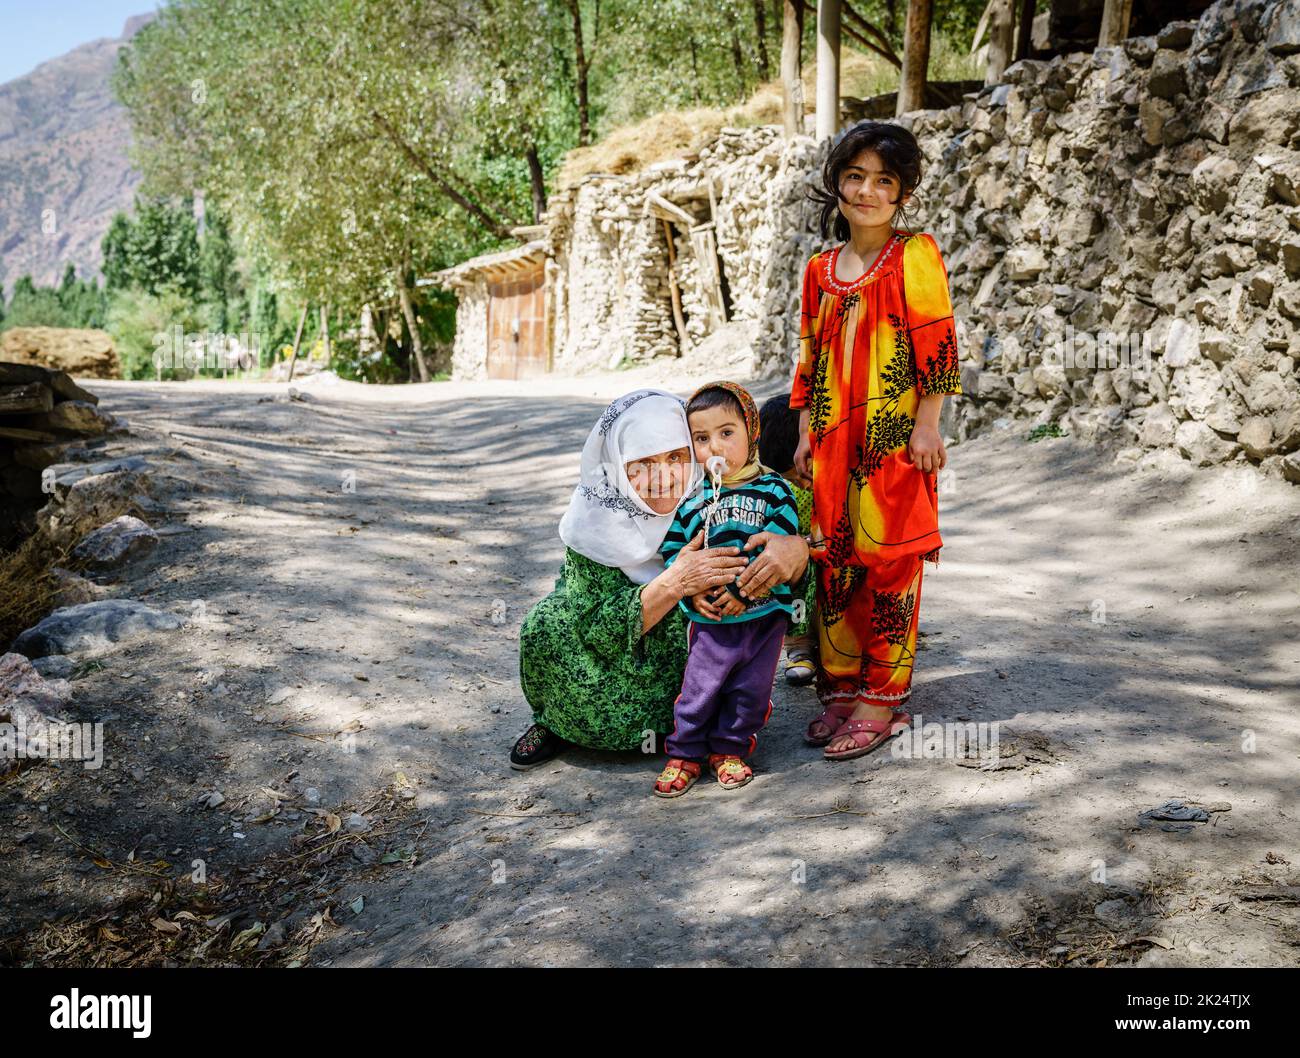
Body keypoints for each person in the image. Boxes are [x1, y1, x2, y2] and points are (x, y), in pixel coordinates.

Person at [512, 389, 811, 770]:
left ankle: (707, 734)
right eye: (642, 463)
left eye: (676, 456)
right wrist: (673, 584)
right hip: (615, 663)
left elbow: (802, 596)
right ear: (618, 463)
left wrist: (797, 552)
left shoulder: (723, 495)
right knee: (545, 625)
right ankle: (559, 723)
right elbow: (593, 627)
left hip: (690, 668)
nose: (664, 477)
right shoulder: (595, 519)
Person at [790, 120, 963, 761]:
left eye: (883, 181)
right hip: (832, 443)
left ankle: (881, 699)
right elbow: (808, 356)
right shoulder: (818, 269)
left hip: (893, 440)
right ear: (837, 183)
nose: (867, 191)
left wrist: (928, 424)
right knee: (834, 563)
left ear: (903, 195)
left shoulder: (914, 255)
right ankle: (840, 686)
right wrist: (806, 433)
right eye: (855, 176)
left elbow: (939, 343)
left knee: (890, 561)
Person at [651, 382, 799, 796]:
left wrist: (744, 592)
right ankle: (684, 752)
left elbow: (777, 545)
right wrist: (688, 590)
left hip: (764, 618)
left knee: (750, 690)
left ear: (752, 433)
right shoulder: (693, 501)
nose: (715, 446)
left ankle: (730, 749)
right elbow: (675, 552)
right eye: (702, 438)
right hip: (711, 619)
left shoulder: (775, 491)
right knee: (700, 687)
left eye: (726, 433)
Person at [757, 392, 818, 687]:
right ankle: (798, 648)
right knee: (795, 581)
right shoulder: (772, 489)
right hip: (801, 560)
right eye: (794, 480)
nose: (803, 484)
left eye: (803, 475)